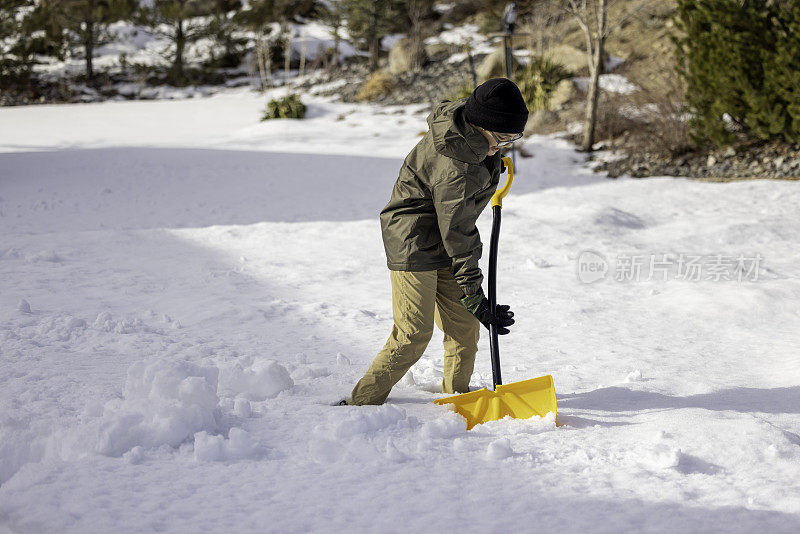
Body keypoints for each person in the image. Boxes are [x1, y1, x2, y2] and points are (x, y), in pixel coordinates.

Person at [341, 78, 528, 406]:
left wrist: (492, 159)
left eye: (513, 138)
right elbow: (459, 232)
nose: (504, 146)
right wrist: (473, 294)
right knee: (413, 334)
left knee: (464, 329)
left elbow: (455, 230)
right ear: (479, 125)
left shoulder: (468, 128)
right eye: (501, 137)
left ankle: (457, 399)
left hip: (445, 240)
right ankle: (360, 404)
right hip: (412, 241)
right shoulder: (456, 168)